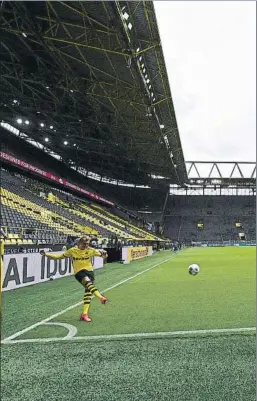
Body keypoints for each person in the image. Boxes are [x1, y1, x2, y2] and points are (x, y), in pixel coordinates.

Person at [40, 236, 108, 323]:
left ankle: (84, 314)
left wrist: (105, 254)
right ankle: (101, 297)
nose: (86, 245)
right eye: (84, 244)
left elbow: (104, 256)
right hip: (79, 272)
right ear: (79, 243)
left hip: (90, 272)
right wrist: (46, 254)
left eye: (87, 244)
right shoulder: (72, 251)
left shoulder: (91, 250)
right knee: (88, 283)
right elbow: (59, 257)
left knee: (88, 292)